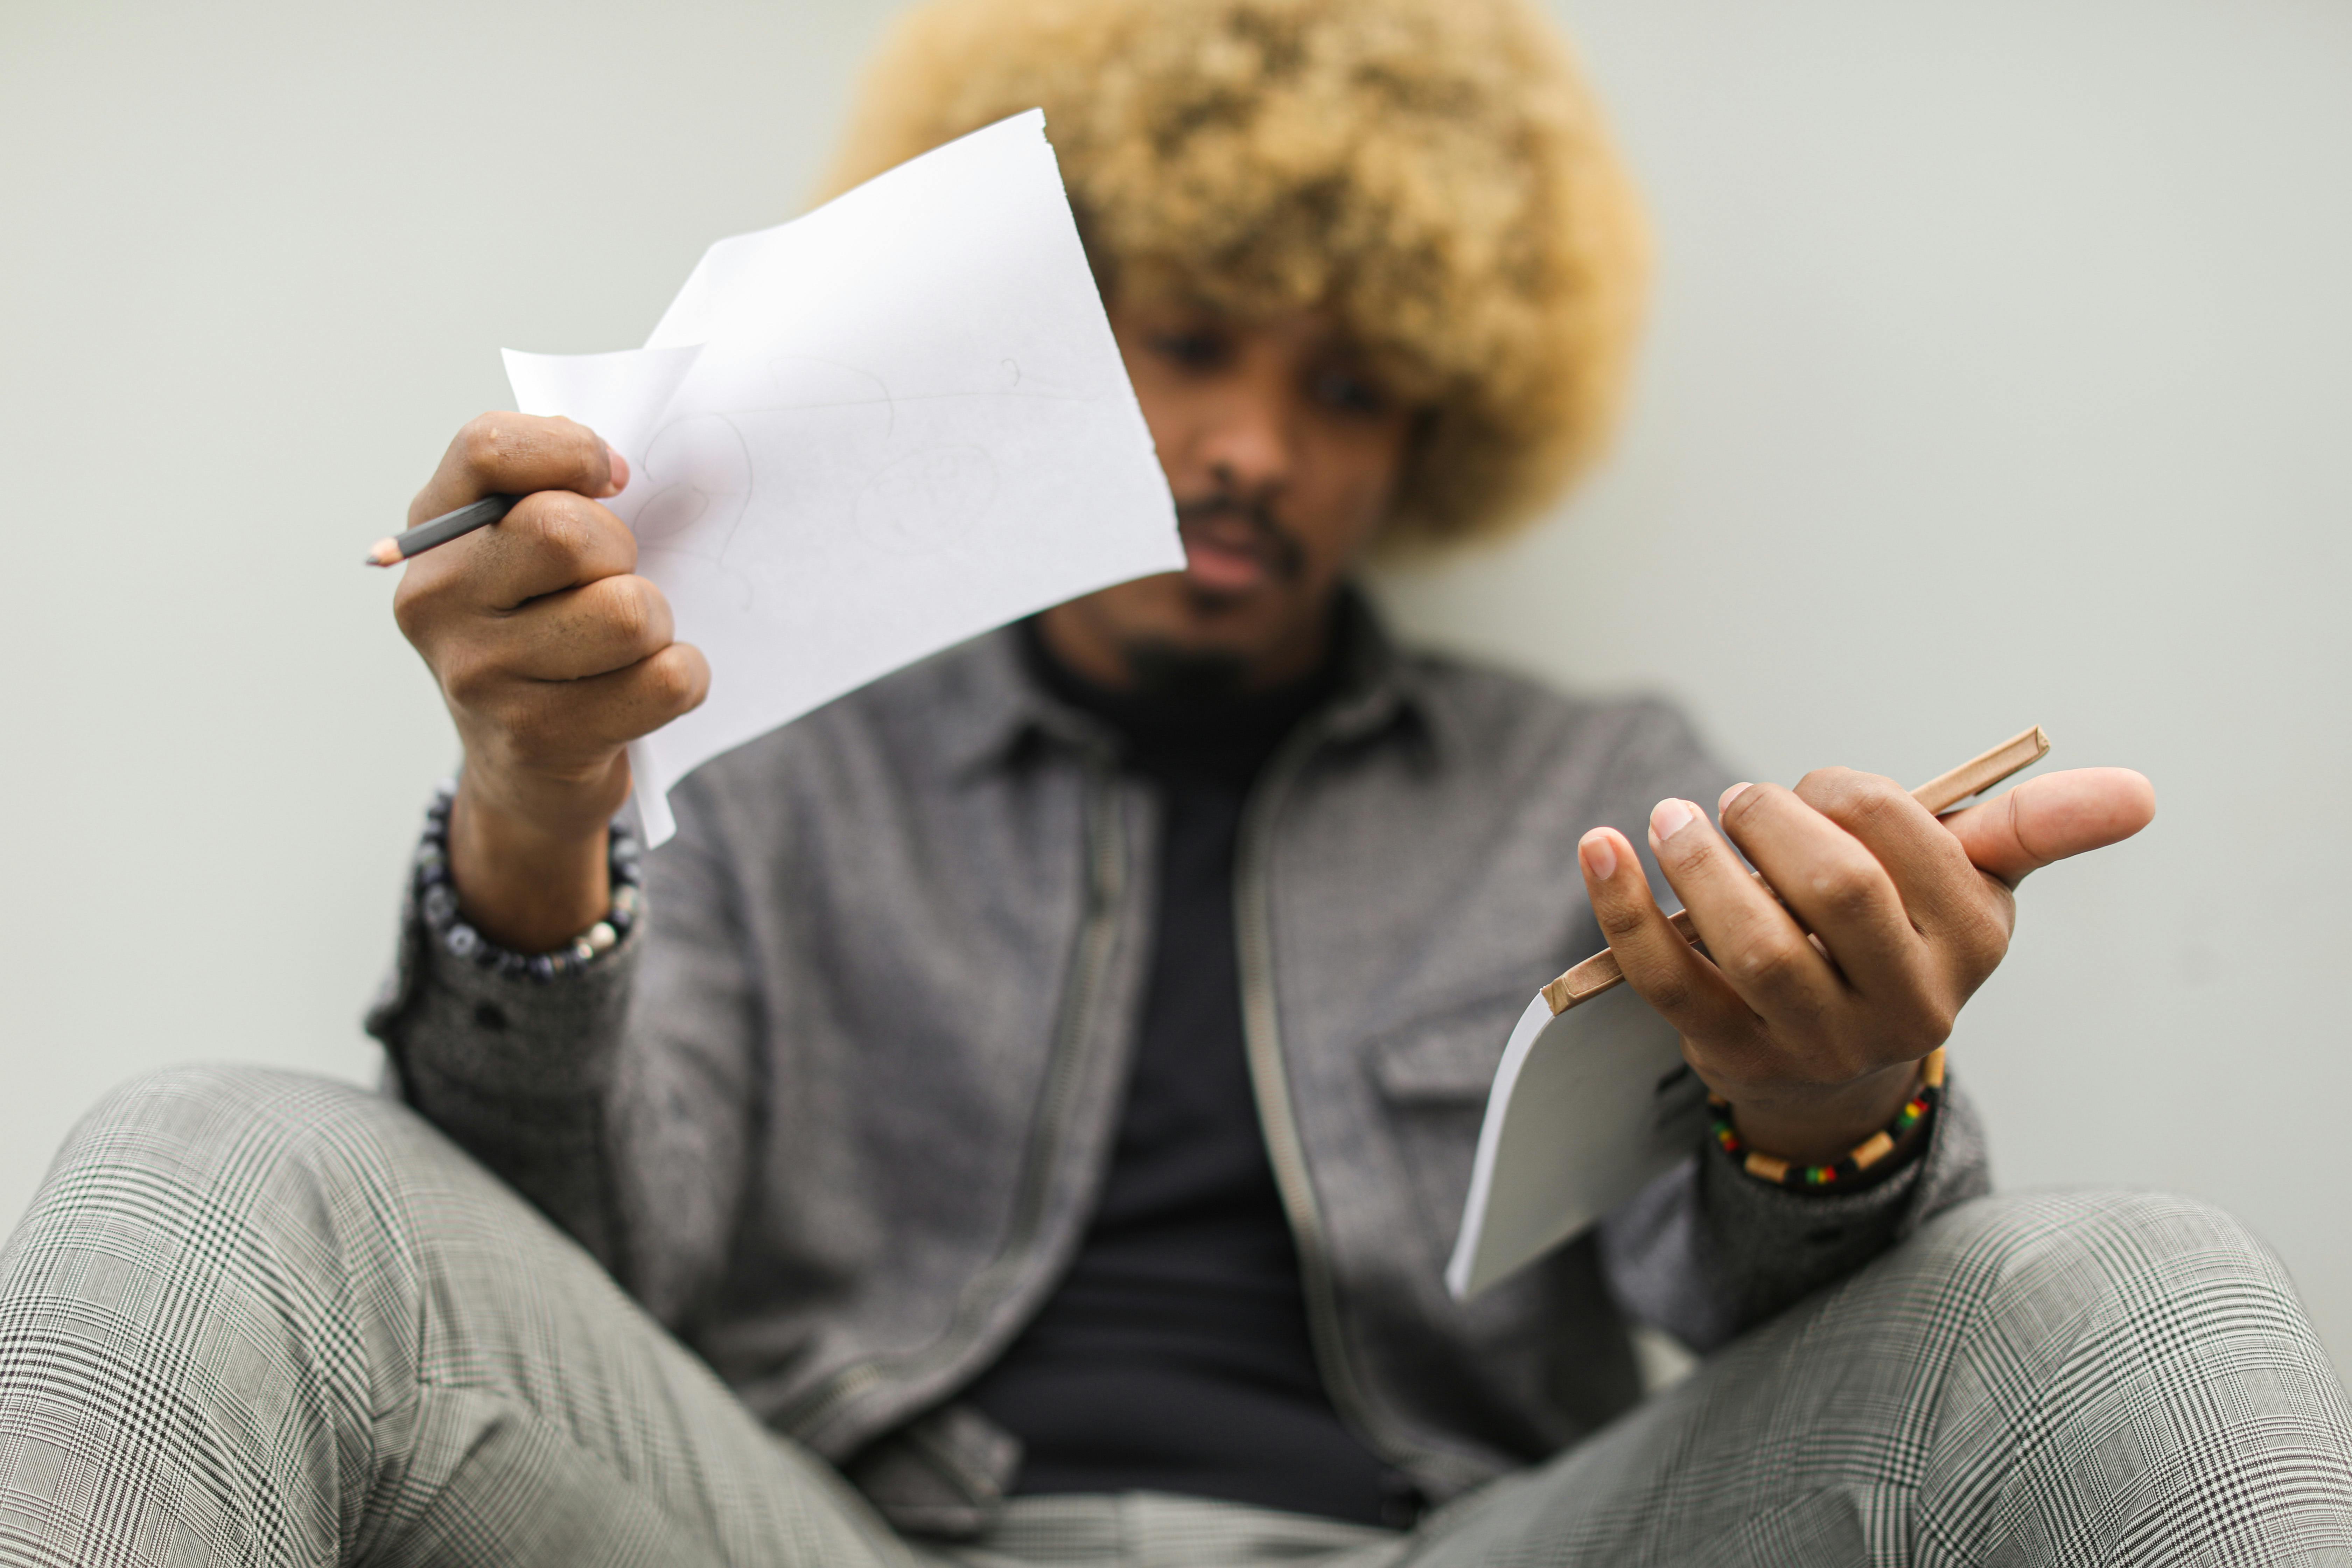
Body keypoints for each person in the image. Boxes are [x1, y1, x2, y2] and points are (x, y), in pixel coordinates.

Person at [3, 0, 2348, 1562]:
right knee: (218, 1169)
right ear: (1042, 330)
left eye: (1348, 384)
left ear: (1444, 403)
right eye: (1193, 338)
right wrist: (539, 795)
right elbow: (587, 1255)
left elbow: (1779, 1323)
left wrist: (1840, 1109)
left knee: (2135, 1295)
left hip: (1454, 1540)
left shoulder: (1598, 780)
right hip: (826, 1531)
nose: (1249, 444)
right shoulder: (780, 732)